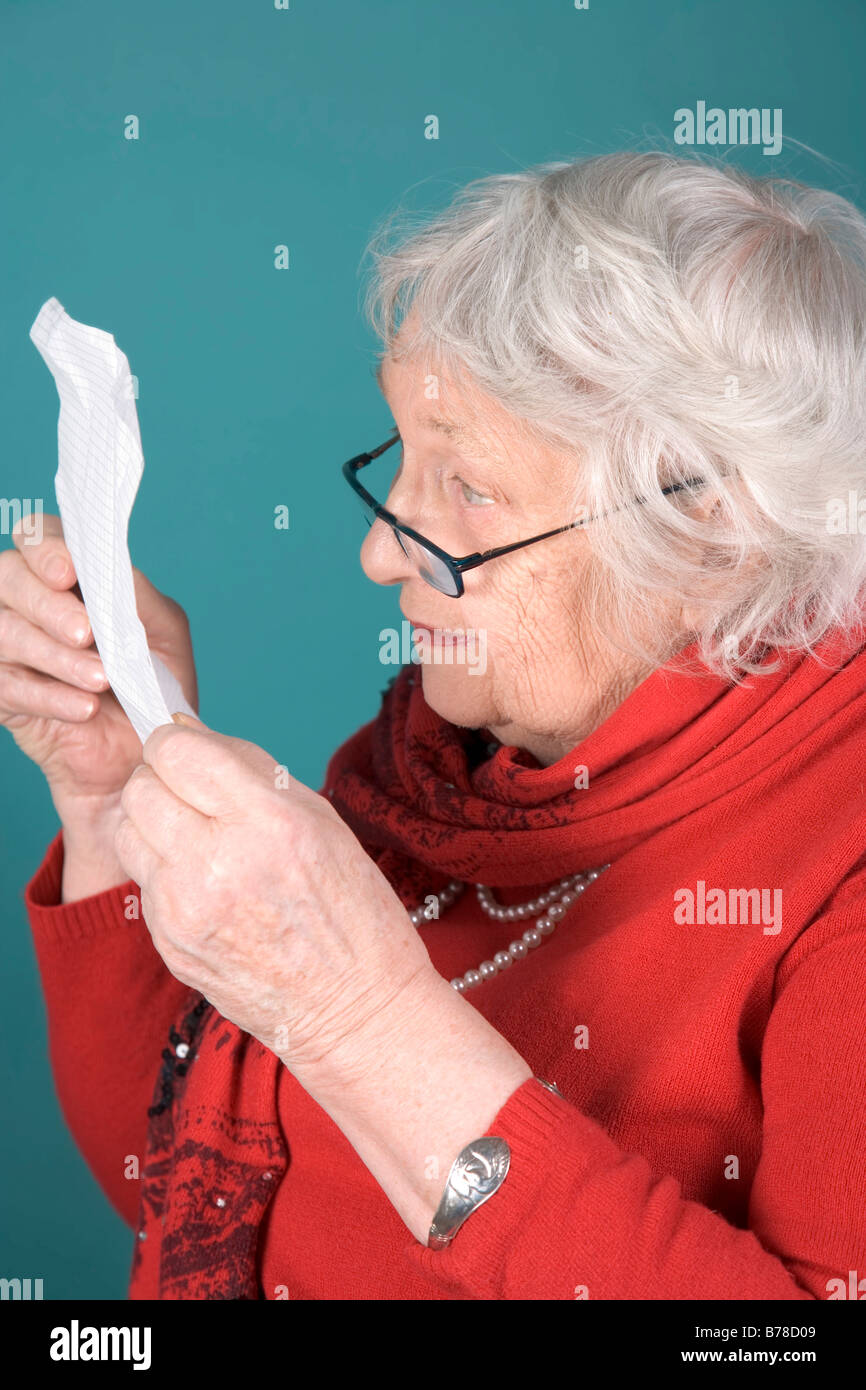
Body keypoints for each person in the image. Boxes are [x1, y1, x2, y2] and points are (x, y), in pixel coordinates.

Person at [5, 150, 866, 1300]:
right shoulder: (433, 775)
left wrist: (365, 1025)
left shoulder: (837, 870)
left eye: (467, 488)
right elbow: (189, 1190)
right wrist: (110, 800)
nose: (376, 553)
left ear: (706, 524)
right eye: (400, 459)